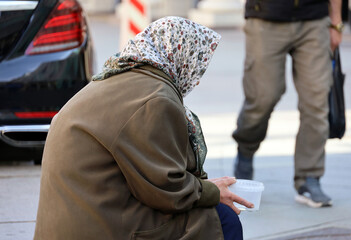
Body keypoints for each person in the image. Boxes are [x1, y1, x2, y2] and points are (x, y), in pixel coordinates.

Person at [34, 16, 253, 240]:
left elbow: (152, 174)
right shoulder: (156, 98)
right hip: (97, 225)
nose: (196, 75)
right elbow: (167, 191)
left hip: (78, 217)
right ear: (182, 55)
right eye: (198, 62)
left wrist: (200, 187)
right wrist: (213, 193)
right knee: (221, 219)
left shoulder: (121, 76)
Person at [233, 0, 343, 208]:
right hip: (265, 17)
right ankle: (245, 151)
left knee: (317, 101)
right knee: (262, 97)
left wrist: (336, 22)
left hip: (314, 19)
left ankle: (309, 177)